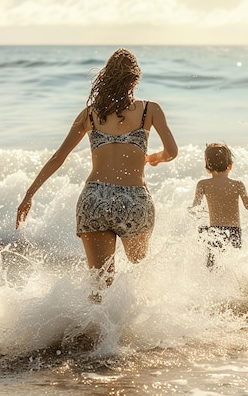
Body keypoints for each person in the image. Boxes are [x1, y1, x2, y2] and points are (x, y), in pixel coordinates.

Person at [16, 48, 178, 295]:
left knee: (100, 283)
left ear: (106, 77)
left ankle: (95, 331)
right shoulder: (150, 110)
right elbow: (172, 151)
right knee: (140, 268)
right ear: (135, 79)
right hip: (133, 199)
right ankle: (128, 327)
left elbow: (58, 157)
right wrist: (155, 158)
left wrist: (29, 194)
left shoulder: (89, 114)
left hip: (94, 199)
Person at [191, 142, 248, 269]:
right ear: (230, 166)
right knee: (235, 267)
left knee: (213, 268)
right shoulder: (237, 185)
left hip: (214, 232)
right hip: (234, 232)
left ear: (207, 168)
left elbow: (195, 209)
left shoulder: (203, 184)